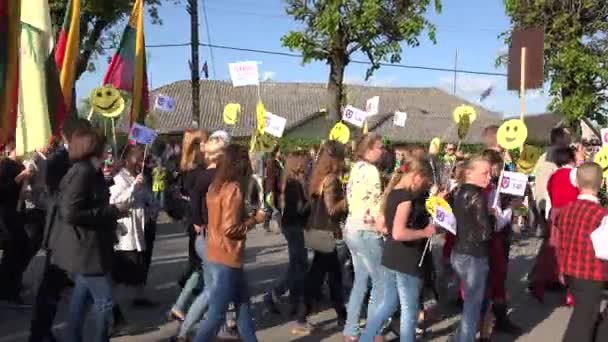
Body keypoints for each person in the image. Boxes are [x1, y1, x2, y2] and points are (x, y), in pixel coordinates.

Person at [50, 129, 122, 342]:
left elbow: (91, 197)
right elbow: (70, 211)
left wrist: (109, 179)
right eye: (104, 147)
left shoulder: (91, 170)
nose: (107, 152)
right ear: (94, 148)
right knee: (105, 302)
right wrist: (113, 210)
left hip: (90, 247)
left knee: (80, 301)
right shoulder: (83, 171)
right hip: (86, 248)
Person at [28, 119, 93, 342]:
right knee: (52, 286)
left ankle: (42, 332)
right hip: (60, 231)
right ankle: (39, 333)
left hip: (75, 231)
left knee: (62, 284)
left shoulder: (80, 159)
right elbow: (49, 196)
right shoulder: (57, 161)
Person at [193, 144, 266, 342]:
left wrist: (246, 216)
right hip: (228, 255)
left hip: (216, 250)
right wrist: (255, 220)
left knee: (243, 308)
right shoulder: (233, 189)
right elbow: (230, 228)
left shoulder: (216, 186)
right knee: (216, 314)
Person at [361, 158, 435, 342]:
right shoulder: (406, 198)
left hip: (391, 257)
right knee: (409, 310)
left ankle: (366, 338)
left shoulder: (393, 192)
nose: (423, 187)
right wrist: (424, 232)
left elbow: (388, 227)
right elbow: (399, 232)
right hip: (405, 259)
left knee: (388, 304)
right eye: (424, 182)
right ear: (416, 177)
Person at [171, 135, 228, 341]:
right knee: (213, 289)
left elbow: (194, 198)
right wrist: (197, 221)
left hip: (206, 234)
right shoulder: (211, 176)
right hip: (210, 235)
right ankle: (187, 332)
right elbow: (195, 198)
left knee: (213, 287)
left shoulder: (209, 175)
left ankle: (214, 329)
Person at [292, 142, 348, 335]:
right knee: (324, 277)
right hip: (325, 231)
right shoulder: (332, 179)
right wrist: (348, 199)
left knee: (327, 275)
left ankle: (341, 316)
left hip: (316, 230)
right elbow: (332, 209)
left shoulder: (318, 176)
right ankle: (304, 318)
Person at [557, 162, 608, 342]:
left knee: (586, 314)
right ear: (601, 184)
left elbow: (560, 241)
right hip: (591, 273)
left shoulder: (565, 210)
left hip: (570, 270)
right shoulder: (601, 214)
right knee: (583, 320)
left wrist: (561, 268)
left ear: (576, 183)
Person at [343, 133, 386, 341]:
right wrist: (382, 223)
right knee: (379, 281)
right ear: (369, 149)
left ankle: (351, 330)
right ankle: (373, 331)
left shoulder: (355, 168)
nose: (382, 151)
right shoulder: (371, 171)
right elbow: (376, 203)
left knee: (361, 280)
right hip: (366, 229)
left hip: (351, 226)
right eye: (379, 147)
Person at [449, 156, 493, 342]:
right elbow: (485, 233)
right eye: (484, 173)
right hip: (474, 255)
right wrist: (496, 217)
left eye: (490, 173)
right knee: (472, 307)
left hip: (458, 252)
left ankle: (457, 338)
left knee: (472, 302)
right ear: (469, 173)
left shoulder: (456, 191)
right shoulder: (476, 195)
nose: (489, 177)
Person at [110, 145, 159, 306]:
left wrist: (152, 208)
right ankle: (111, 301)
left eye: (141, 158)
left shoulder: (140, 175)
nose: (140, 161)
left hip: (143, 223)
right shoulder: (119, 177)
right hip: (128, 226)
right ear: (127, 159)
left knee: (142, 261)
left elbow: (146, 197)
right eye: (137, 158)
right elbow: (117, 200)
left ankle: (139, 296)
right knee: (125, 264)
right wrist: (134, 187)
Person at [264, 151, 310, 314]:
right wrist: (311, 202)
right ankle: (277, 292)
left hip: (290, 225)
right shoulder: (294, 183)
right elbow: (299, 208)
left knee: (298, 264)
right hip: (294, 225)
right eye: (305, 161)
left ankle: (294, 298)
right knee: (299, 265)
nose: (307, 164)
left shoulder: (289, 181)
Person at [530, 147, 579, 303]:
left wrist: (548, 216)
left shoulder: (554, 176)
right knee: (571, 251)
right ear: (572, 158)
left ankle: (539, 282)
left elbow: (549, 196)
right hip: (570, 214)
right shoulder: (574, 174)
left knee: (553, 250)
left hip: (555, 214)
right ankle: (570, 292)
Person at [178, 129, 209, 288]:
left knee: (196, 257)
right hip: (198, 217)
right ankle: (190, 288)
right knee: (199, 260)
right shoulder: (198, 171)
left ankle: (188, 285)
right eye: (206, 142)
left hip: (193, 216)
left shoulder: (188, 167)